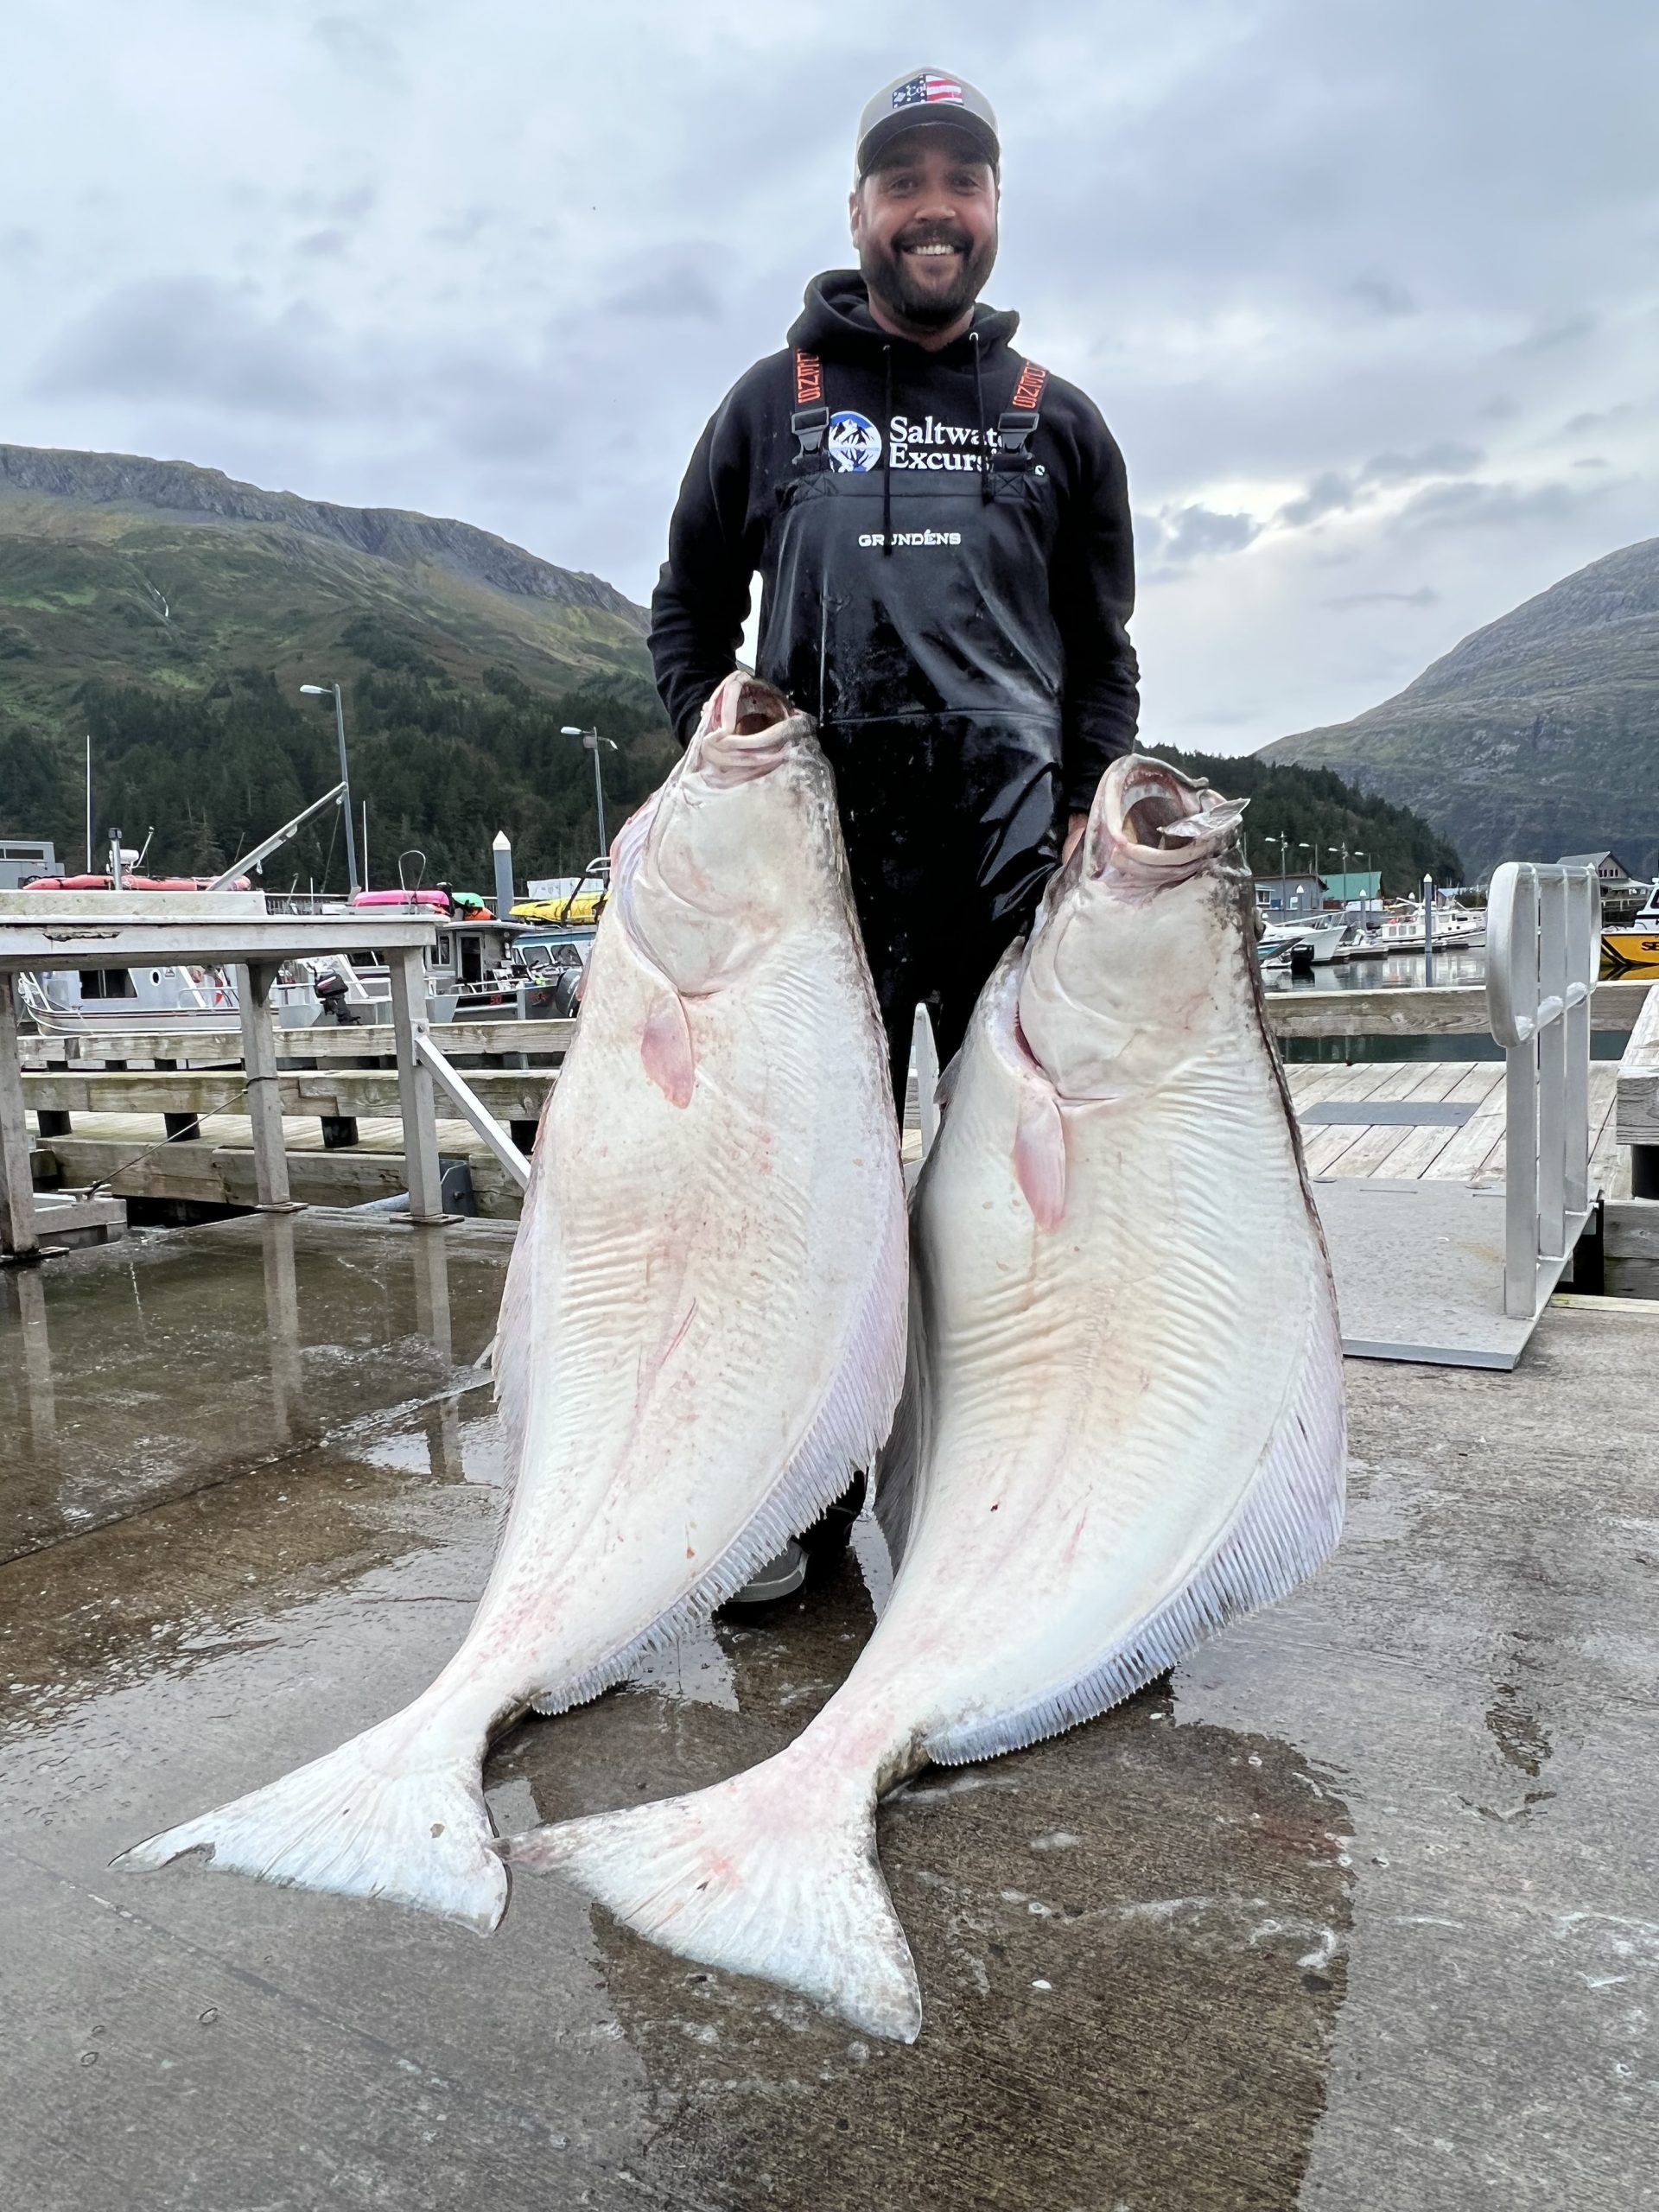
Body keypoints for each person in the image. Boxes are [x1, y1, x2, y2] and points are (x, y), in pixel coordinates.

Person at [650, 67, 1141, 1600]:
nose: (937, 208)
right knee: (808, 1210)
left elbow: (1104, 657)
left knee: (1031, 1213)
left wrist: (1082, 813)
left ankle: (1028, 1514)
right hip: (818, 902)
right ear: (857, 209)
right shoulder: (769, 402)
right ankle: (796, 1510)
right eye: (905, 179)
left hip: (1009, 896)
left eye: (966, 178)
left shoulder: (1057, 421)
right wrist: (714, 741)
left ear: (995, 209)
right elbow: (686, 605)